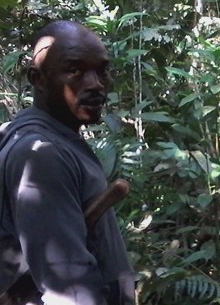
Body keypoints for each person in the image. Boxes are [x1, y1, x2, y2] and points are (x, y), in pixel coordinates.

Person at [0, 21, 135, 305]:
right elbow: (70, 294)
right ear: (38, 78)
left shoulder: (48, 138)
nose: (96, 84)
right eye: (74, 70)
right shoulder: (41, 155)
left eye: (102, 71)